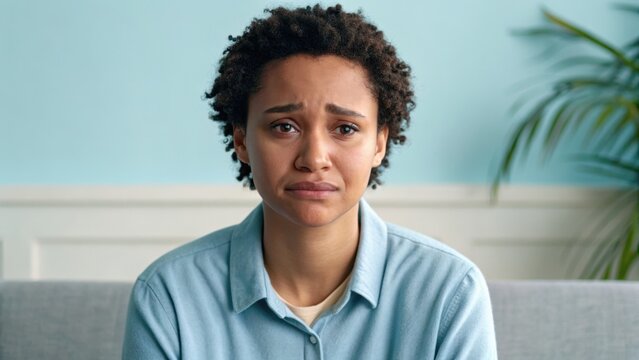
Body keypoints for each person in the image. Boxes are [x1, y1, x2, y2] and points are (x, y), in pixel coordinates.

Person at [122, 4, 497, 359]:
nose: (314, 158)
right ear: (242, 141)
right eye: (284, 127)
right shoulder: (169, 295)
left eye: (346, 128)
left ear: (379, 143)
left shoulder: (449, 292)